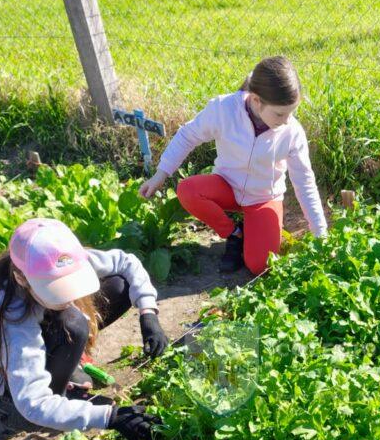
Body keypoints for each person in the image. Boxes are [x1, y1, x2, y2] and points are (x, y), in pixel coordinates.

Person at [0, 218, 166, 440]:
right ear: (21, 278)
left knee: (120, 286)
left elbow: (126, 262)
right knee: (74, 323)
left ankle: (67, 364)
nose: (69, 298)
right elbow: (33, 403)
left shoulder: (58, 259)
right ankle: (60, 394)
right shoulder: (9, 314)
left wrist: (148, 313)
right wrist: (110, 417)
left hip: (42, 326)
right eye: (55, 288)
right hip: (8, 378)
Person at [139, 55, 328, 275]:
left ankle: (256, 227)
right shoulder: (224, 109)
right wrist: (160, 174)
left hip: (262, 197)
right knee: (188, 190)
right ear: (256, 100)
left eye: (292, 112)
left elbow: (304, 182)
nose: (287, 120)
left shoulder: (292, 131)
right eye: (280, 113)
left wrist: (320, 233)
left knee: (260, 265)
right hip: (227, 186)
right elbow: (188, 135)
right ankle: (234, 233)